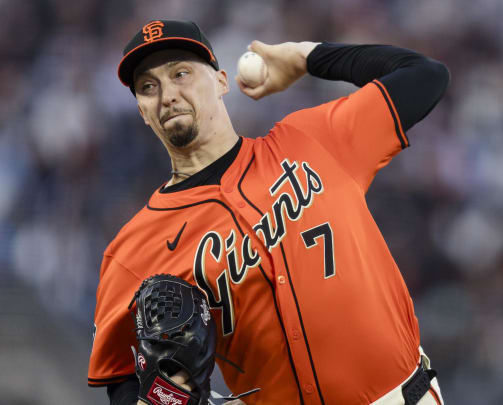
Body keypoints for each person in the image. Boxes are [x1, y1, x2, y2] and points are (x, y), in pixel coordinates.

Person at [88, 19, 450, 405]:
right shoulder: (131, 251)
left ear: (222, 81)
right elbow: (121, 378)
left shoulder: (313, 141)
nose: (168, 95)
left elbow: (425, 76)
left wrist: (306, 57)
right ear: (142, 112)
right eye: (148, 87)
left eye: (181, 73)